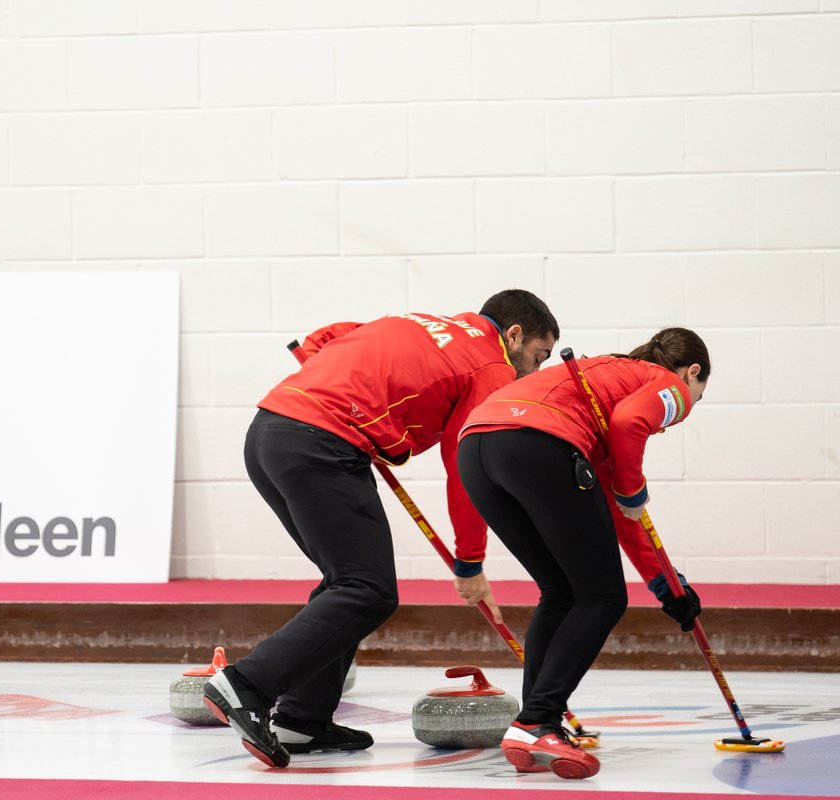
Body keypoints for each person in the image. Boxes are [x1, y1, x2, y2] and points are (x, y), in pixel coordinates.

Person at [204, 290, 561, 768]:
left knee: (346, 581)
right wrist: (470, 559)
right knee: (367, 588)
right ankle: (245, 682)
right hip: (319, 445)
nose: (532, 373)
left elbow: (326, 337)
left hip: (270, 432)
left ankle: (302, 721)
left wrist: (335, 382)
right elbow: (466, 467)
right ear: (514, 335)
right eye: (538, 357)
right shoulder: (490, 365)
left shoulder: (424, 321)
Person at [457, 327, 710, 780]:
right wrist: (634, 488)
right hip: (538, 443)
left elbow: (616, 509)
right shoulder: (669, 385)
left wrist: (665, 584)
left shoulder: (604, 379)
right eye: (699, 393)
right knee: (603, 598)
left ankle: (531, 724)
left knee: (561, 591)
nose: (688, 407)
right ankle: (537, 720)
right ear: (693, 372)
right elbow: (634, 427)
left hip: (477, 446)